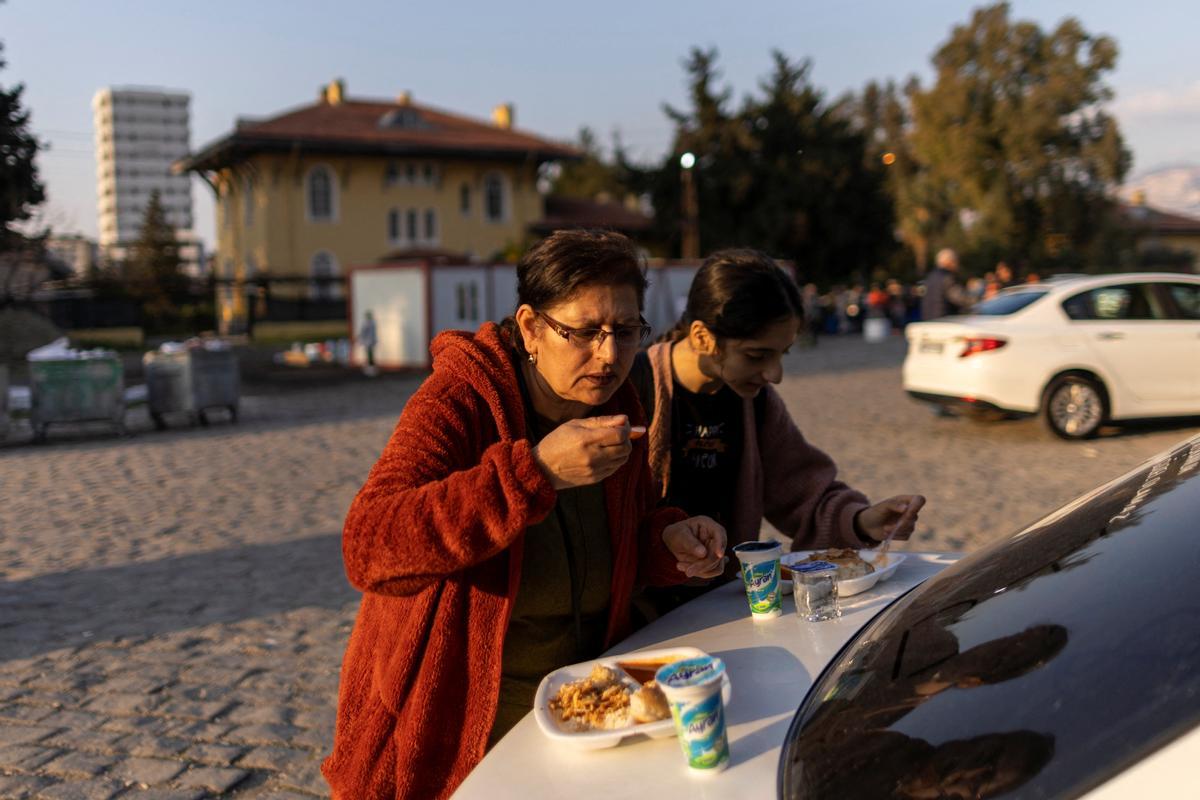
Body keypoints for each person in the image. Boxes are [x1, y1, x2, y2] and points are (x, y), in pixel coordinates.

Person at [322, 230, 728, 799]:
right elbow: (368, 545)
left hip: (587, 717)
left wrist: (670, 541)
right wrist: (534, 473)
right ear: (532, 328)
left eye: (627, 331)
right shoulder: (458, 401)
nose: (609, 355)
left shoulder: (618, 405)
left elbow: (625, 537)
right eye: (584, 332)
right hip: (467, 732)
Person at [630, 249, 925, 614]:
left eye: (782, 354)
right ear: (702, 337)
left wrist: (862, 520)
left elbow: (802, 492)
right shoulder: (633, 389)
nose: (775, 374)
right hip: (638, 619)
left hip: (721, 606)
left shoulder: (755, 402)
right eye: (757, 356)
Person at [920, 248, 973, 319]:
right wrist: (980, 299)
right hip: (944, 321)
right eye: (956, 261)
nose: (957, 265)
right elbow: (960, 299)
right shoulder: (947, 277)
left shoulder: (930, 277)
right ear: (950, 262)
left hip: (929, 321)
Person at [358, 309, 378, 376]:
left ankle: (370, 369)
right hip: (370, 341)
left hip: (368, 341)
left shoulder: (367, 323)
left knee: (369, 355)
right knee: (370, 354)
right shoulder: (373, 323)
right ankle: (371, 368)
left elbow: (363, 332)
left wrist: (360, 339)